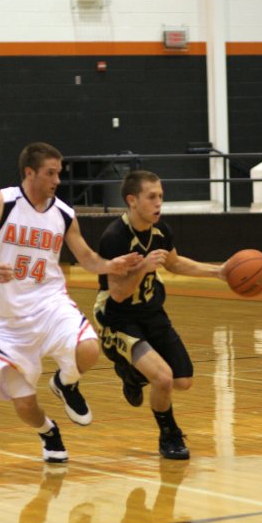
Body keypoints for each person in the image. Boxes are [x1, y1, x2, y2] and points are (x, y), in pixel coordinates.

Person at [0, 142, 143, 464]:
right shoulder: (1, 203)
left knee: (89, 348)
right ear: (29, 172)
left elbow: (88, 259)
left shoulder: (63, 213)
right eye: (50, 173)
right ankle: (48, 431)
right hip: (6, 320)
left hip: (49, 302)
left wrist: (110, 265)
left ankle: (66, 382)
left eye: (59, 173)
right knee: (25, 404)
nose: (57, 180)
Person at [93, 170, 226, 460]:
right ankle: (169, 435)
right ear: (132, 200)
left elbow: (176, 264)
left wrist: (218, 271)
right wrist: (142, 268)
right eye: (151, 197)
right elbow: (117, 293)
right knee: (163, 379)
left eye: (161, 197)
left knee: (183, 381)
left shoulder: (161, 230)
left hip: (152, 313)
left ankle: (131, 374)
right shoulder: (115, 237)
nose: (158, 203)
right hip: (119, 317)